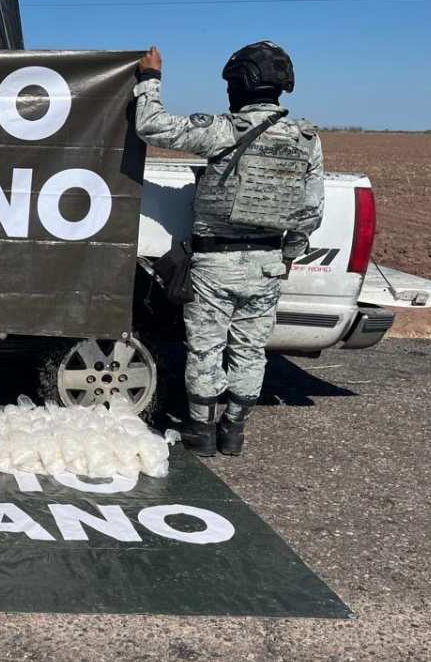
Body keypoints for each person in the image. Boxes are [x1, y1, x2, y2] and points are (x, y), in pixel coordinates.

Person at [133, 42, 324, 457]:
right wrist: (287, 256)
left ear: (239, 84)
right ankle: (233, 431)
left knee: (205, 348)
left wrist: (150, 79)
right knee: (250, 350)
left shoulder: (224, 129)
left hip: (215, 264)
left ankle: (201, 431)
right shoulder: (307, 139)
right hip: (268, 265)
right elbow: (310, 212)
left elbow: (150, 126)